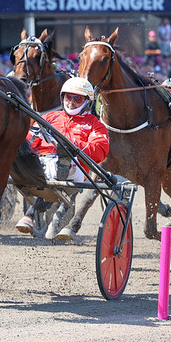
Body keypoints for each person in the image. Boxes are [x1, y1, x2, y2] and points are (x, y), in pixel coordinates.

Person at [15, 77, 109, 240]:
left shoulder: (94, 124)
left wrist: (70, 144)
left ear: (87, 101)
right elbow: (30, 140)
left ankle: (32, 213)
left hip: (75, 168)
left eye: (77, 98)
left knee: (62, 157)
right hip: (43, 164)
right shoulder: (50, 117)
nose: (71, 102)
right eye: (68, 97)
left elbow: (100, 150)